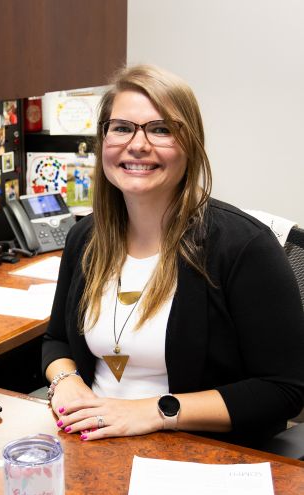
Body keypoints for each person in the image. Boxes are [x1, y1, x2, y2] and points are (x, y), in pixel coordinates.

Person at [43, 64, 304, 449]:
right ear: (103, 140)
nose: (138, 144)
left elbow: (285, 388)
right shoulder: (87, 237)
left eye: (161, 129)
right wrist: (66, 382)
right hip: (91, 442)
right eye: (122, 127)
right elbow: (57, 340)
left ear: (190, 145)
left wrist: (154, 411)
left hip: (194, 454)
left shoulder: (244, 247)